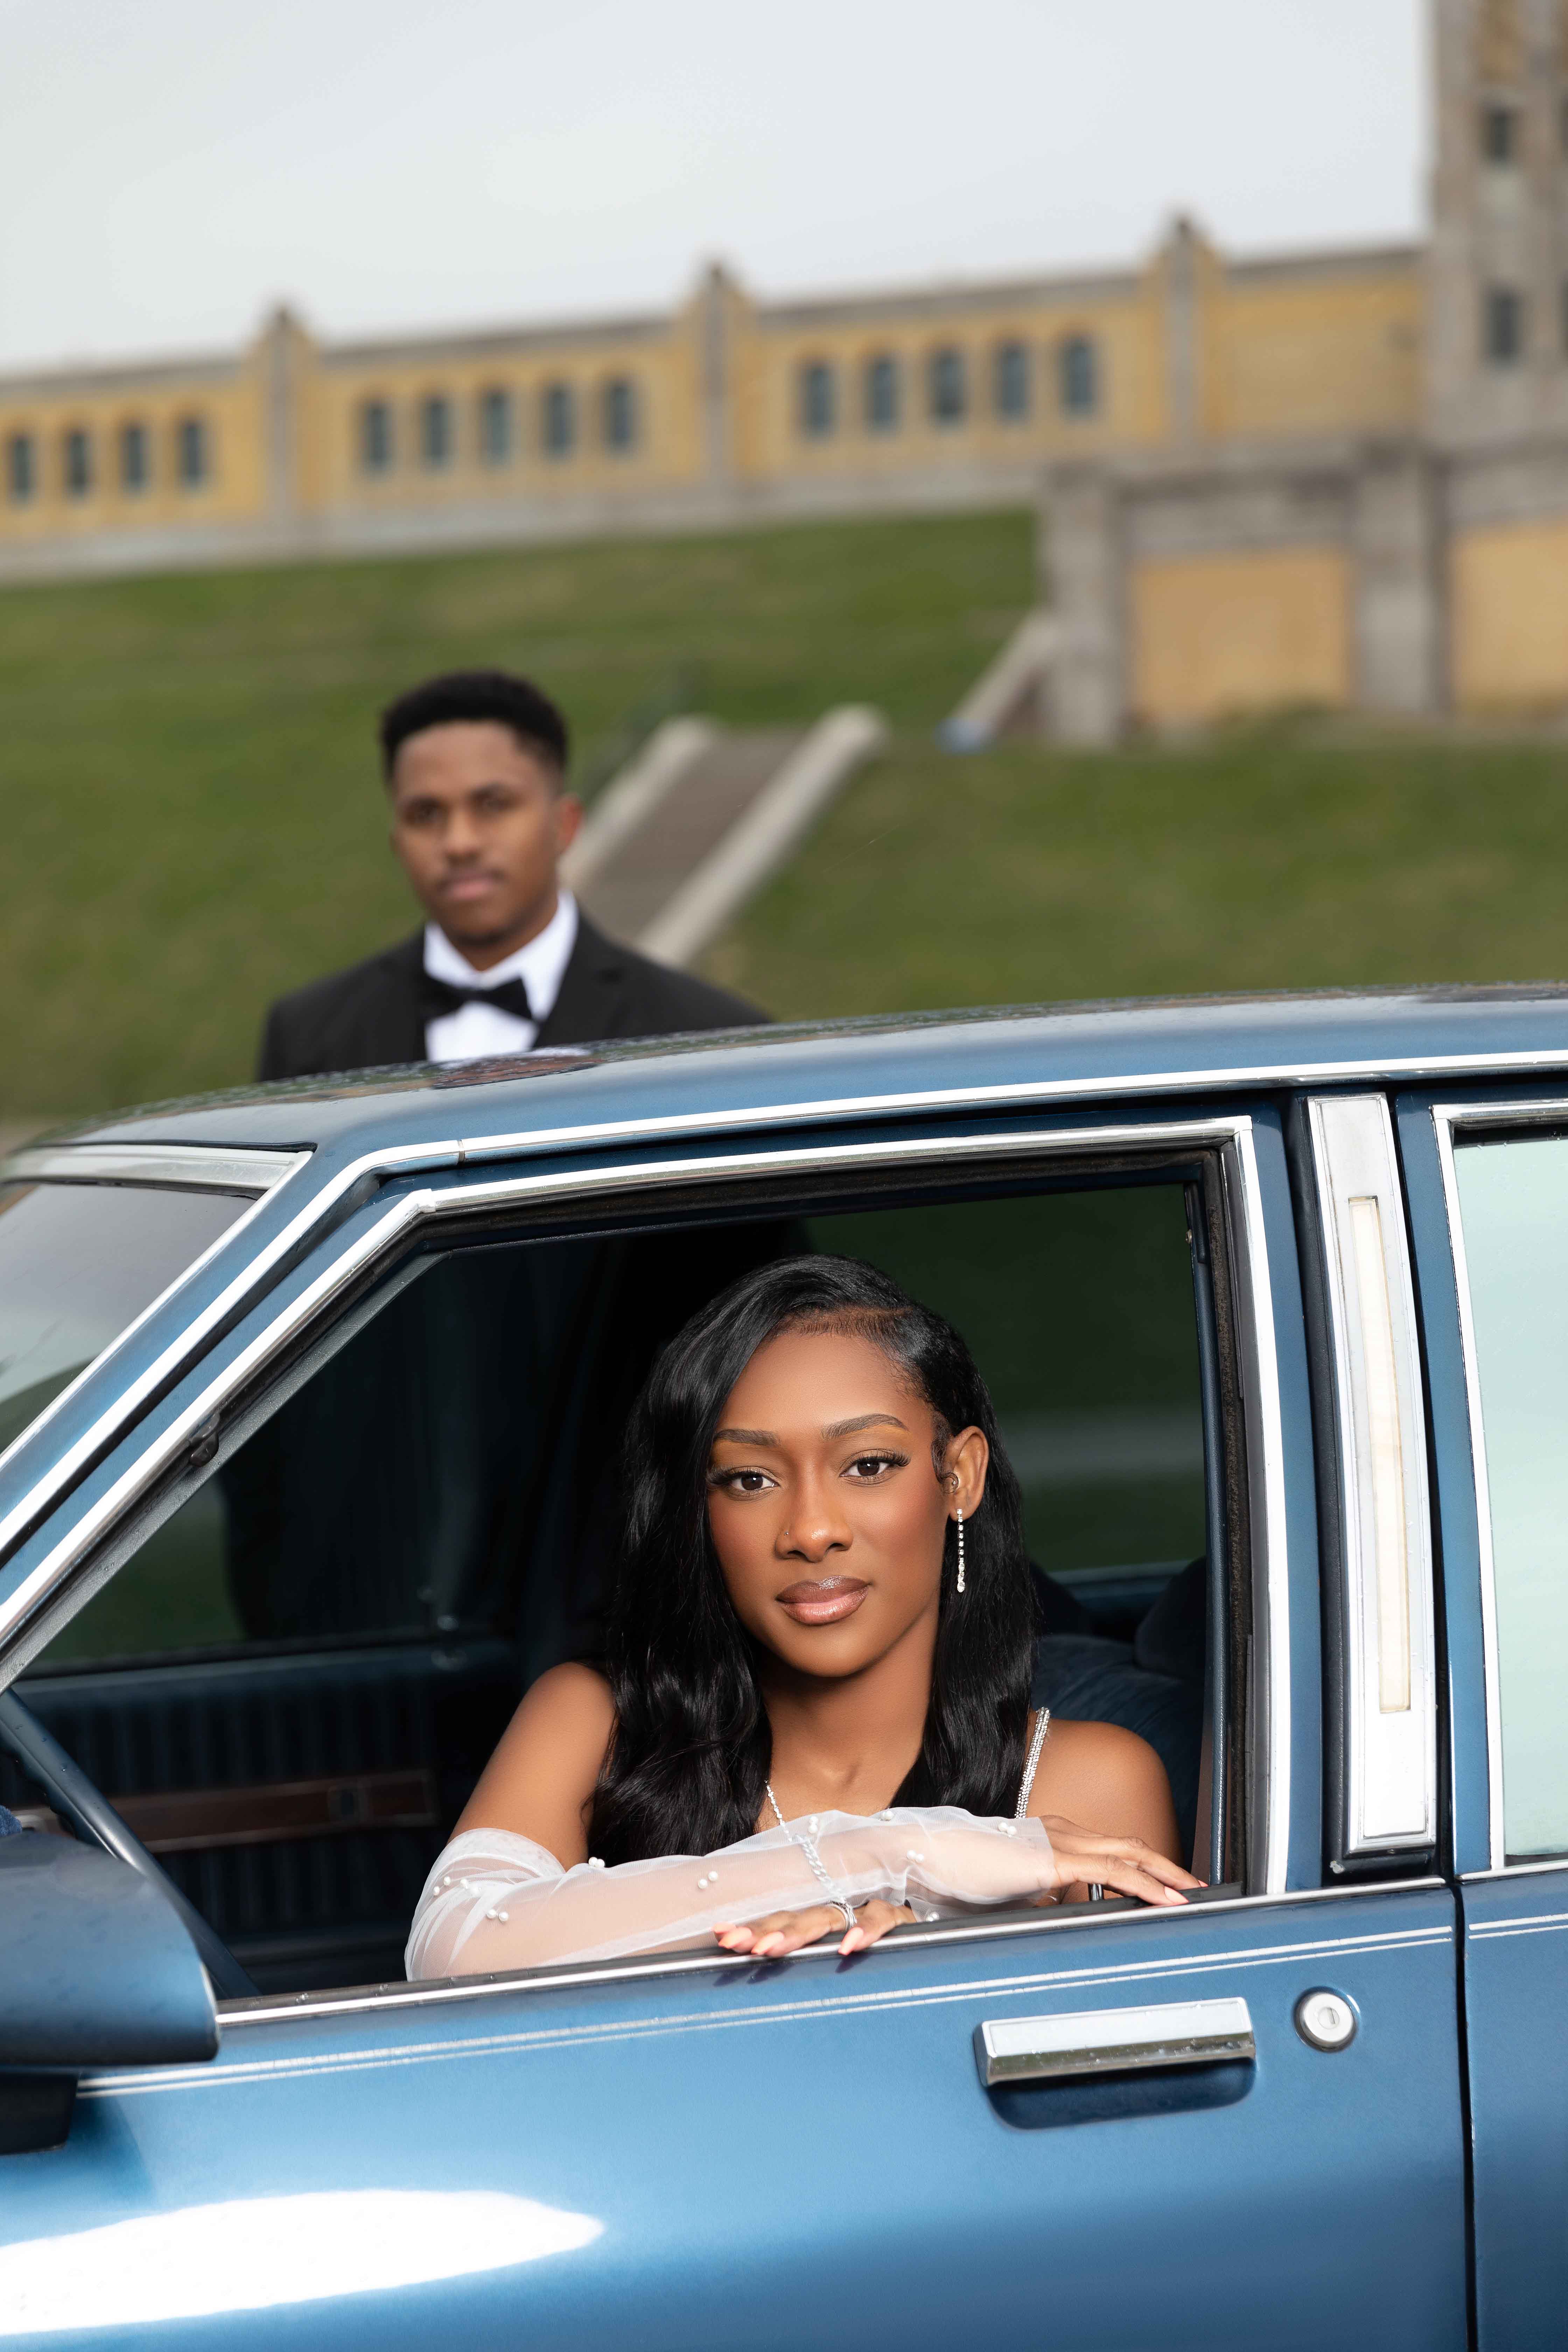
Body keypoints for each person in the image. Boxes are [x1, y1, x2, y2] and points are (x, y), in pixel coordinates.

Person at [406, 1256, 1197, 1980]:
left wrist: (925, 1928)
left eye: (868, 1466)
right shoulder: (592, 1719)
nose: (811, 1531)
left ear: (958, 1477)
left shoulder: (1084, 1782)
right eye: (749, 1479)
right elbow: (453, 1952)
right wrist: (888, 1854)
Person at [257, 667, 762, 1083]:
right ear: (397, 843)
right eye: (425, 815)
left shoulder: (705, 1039)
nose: (459, 843)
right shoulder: (309, 1037)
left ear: (564, 825)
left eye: (494, 805)